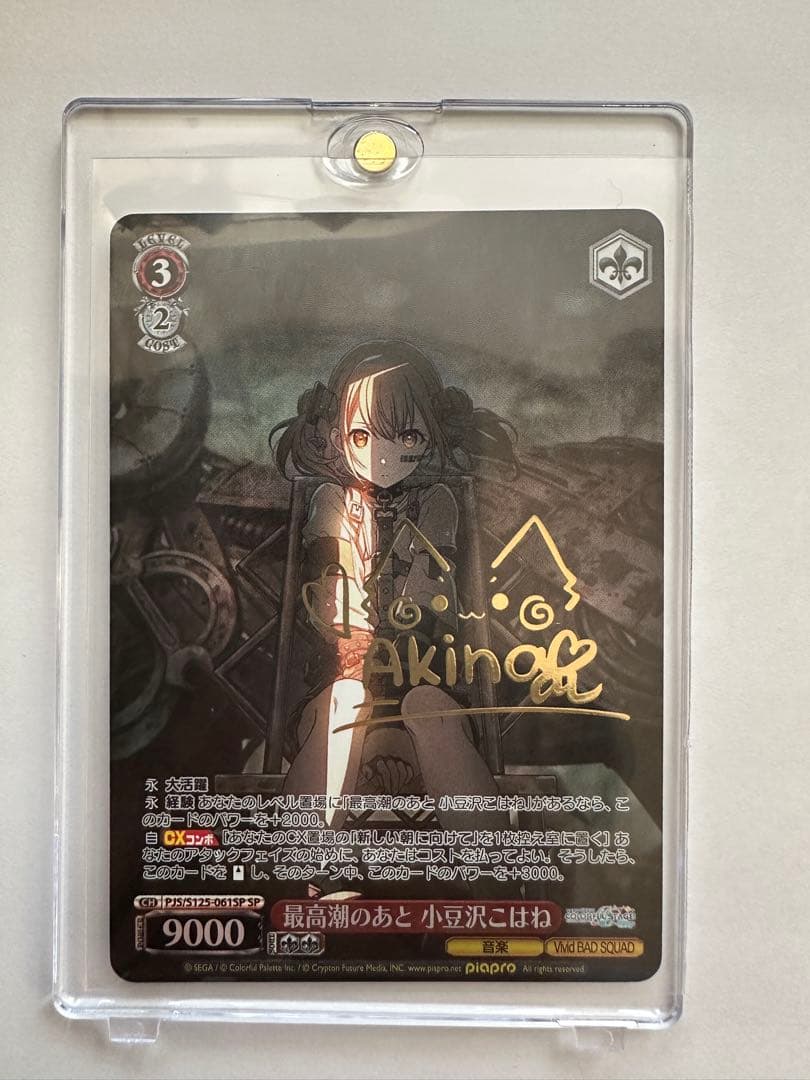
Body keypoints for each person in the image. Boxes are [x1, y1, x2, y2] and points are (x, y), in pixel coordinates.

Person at [271, 340, 517, 835]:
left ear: (430, 437)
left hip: (426, 689)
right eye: (362, 436)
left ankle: (491, 868)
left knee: (426, 706)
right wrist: (353, 633)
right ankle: (304, 865)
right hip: (338, 701)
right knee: (345, 698)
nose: (381, 454)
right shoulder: (333, 501)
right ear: (336, 437)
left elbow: (427, 595)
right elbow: (336, 590)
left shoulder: (437, 501)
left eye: (405, 435)